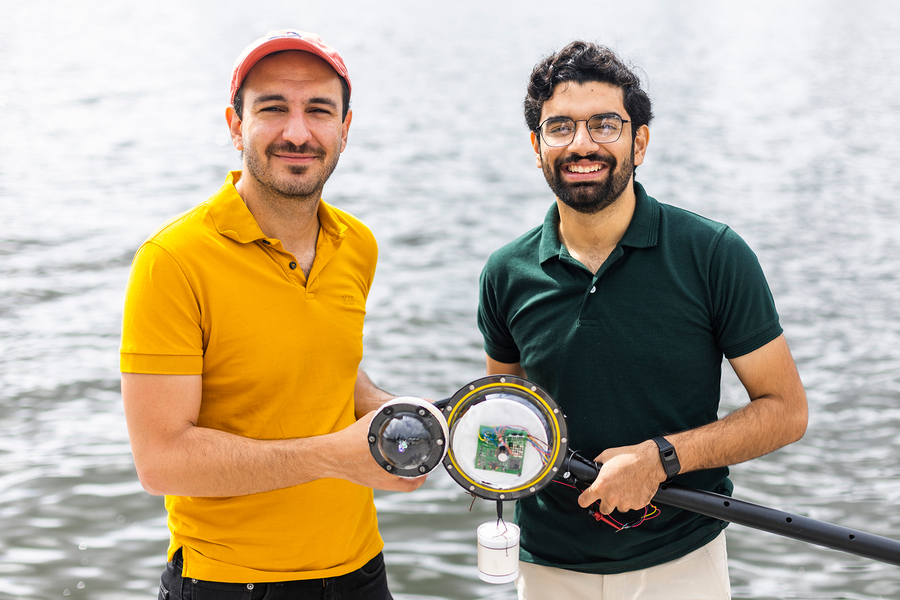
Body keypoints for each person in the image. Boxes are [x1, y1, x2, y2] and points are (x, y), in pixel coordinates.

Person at [477, 41, 808, 599]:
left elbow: (786, 411)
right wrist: (484, 454)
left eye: (606, 124)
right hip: (548, 566)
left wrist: (661, 458)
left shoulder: (713, 255)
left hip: (681, 559)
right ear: (537, 147)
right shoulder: (505, 273)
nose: (582, 144)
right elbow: (508, 410)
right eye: (559, 128)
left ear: (640, 141)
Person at [120, 29, 423, 600]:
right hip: (230, 583)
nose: (297, 132)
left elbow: (321, 362)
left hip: (362, 571)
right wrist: (336, 457)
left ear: (345, 128)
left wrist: (391, 411)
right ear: (236, 126)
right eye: (273, 108)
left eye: (319, 110)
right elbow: (160, 461)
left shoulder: (357, 244)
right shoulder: (171, 261)